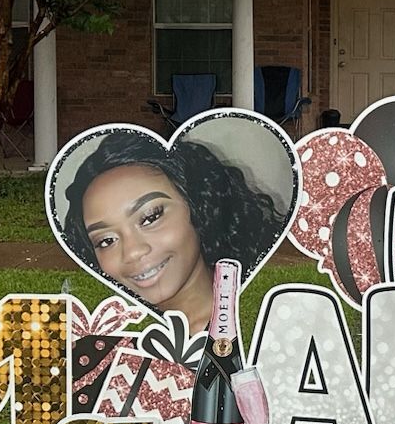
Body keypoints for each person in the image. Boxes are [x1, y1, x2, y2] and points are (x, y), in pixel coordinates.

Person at [63, 132, 283, 335]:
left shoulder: (273, 322)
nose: (132, 252)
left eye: (150, 217)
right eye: (106, 240)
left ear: (199, 205)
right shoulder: (102, 342)